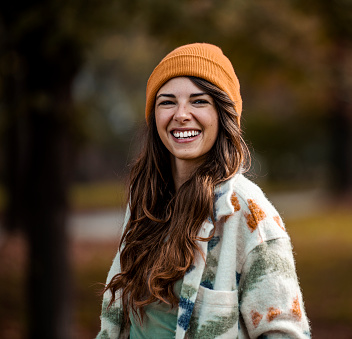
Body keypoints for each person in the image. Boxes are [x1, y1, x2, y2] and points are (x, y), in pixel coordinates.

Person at [97, 43, 311, 339]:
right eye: (167, 102)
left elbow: (284, 332)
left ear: (223, 114)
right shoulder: (145, 202)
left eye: (199, 102)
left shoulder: (247, 210)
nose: (181, 114)